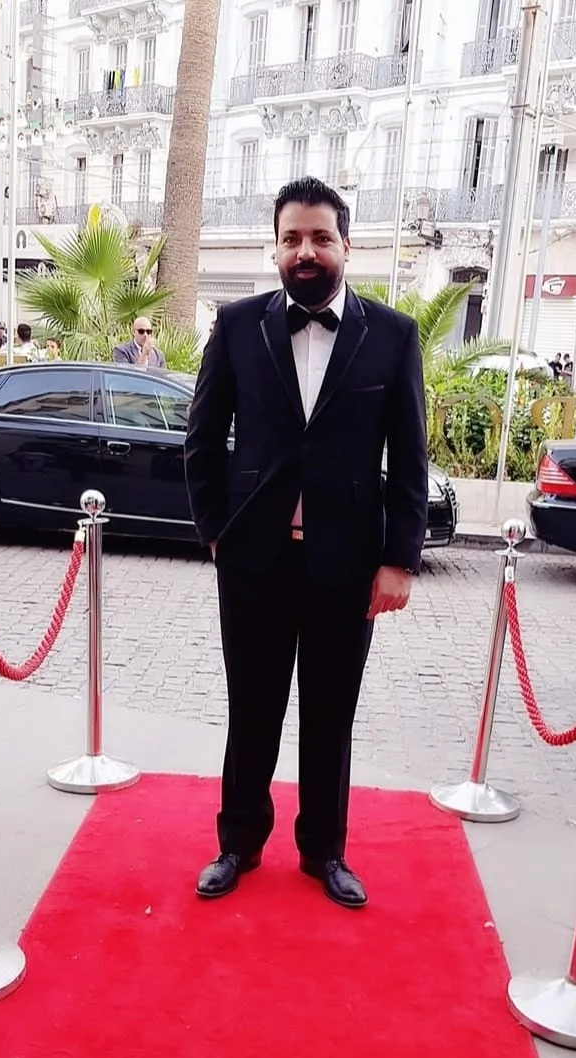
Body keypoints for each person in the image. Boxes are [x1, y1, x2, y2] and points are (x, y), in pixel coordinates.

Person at [184, 176, 428, 908]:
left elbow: (409, 458)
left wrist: (398, 559)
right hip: (254, 560)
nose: (306, 250)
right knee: (251, 709)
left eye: (321, 237)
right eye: (292, 238)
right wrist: (215, 532)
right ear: (276, 248)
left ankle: (325, 851)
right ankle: (238, 842)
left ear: (346, 245)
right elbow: (202, 438)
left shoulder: (392, 335)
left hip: (346, 564)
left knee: (330, 713)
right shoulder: (238, 325)